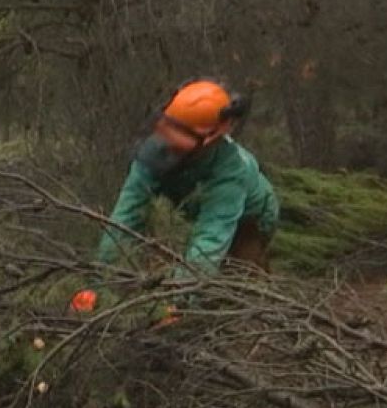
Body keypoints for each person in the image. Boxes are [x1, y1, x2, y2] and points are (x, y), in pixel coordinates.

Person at [75, 78, 278, 311]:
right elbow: (125, 218)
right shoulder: (154, 154)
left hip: (250, 221)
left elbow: (210, 238)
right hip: (196, 212)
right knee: (182, 265)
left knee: (237, 290)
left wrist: (178, 301)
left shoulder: (231, 171)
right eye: (168, 130)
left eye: (180, 136)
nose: (169, 142)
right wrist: (100, 280)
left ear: (211, 137)